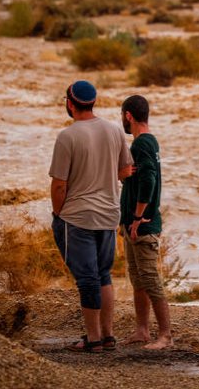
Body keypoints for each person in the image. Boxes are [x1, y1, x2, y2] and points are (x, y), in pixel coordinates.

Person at [49, 80, 133, 353]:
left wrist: (59, 214)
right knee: (103, 275)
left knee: (86, 279)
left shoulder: (67, 136)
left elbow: (59, 184)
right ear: (93, 102)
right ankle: (108, 336)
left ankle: (93, 339)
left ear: (70, 104)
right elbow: (125, 172)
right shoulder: (114, 130)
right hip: (109, 214)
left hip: (78, 217)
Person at [119, 95, 172, 350]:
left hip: (143, 225)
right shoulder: (146, 142)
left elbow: (149, 179)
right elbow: (141, 177)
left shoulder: (141, 144)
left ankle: (165, 335)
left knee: (150, 279)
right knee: (138, 279)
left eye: (123, 116)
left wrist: (138, 217)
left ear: (128, 115)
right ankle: (142, 330)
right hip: (133, 224)